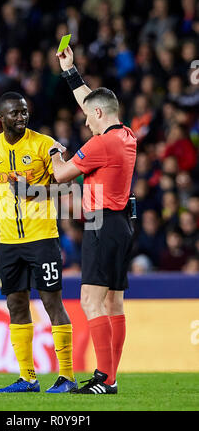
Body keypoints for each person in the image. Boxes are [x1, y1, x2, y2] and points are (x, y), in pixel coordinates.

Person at [0, 91, 77, 394]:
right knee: (15, 303)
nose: (21, 118)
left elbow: (68, 188)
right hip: (9, 242)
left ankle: (67, 376)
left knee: (52, 302)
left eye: (24, 112)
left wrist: (32, 191)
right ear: (0, 117)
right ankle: (28, 378)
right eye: (14, 113)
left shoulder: (44, 145)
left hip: (43, 237)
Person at [49, 46, 137, 394]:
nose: (85, 120)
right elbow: (93, 101)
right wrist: (71, 72)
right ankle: (110, 378)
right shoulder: (126, 136)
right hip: (122, 225)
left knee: (89, 300)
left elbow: (59, 176)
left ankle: (104, 378)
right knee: (113, 302)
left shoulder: (99, 145)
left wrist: (57, 150)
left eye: (88, 116)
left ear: (98, 113)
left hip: (102, 224)